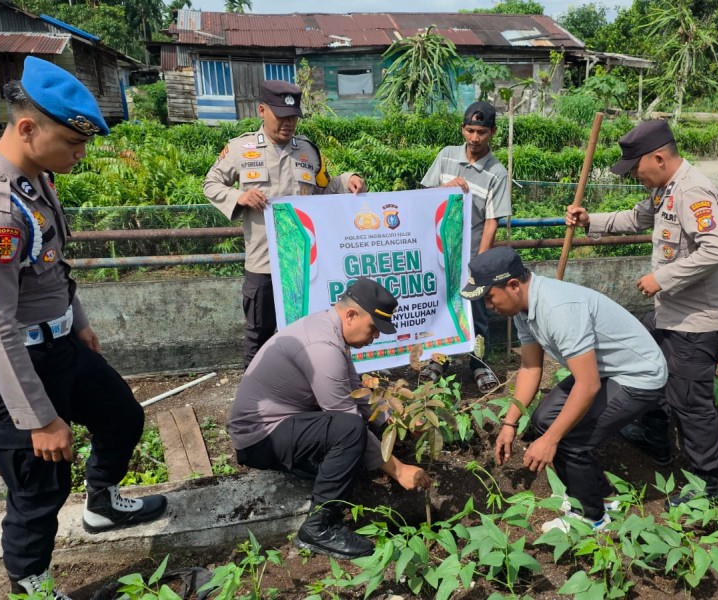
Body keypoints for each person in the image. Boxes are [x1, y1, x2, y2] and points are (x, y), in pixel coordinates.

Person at [0, 57, 167, 599]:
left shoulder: (36, 178)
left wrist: (79, 323)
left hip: (61, 342)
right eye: (72, 141)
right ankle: (31, 584)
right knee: (39, 487)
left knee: (121, 417)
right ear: (27, 129)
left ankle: (103, 504)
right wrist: (40, 419)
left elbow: (52, 264)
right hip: (18, 364)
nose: (80, 153)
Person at [565, 119, 718, 506]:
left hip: (702, 320)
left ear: (659, 158)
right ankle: (656, 437)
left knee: (689, 399)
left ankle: (705, 484)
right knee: (645, 359)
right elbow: (636, 218)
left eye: (635, 169)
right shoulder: (665, 189)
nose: (633, 176)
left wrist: (662, 278)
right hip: (674, 313)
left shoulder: (693, 191)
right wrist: (589, 221)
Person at [228, 277, 432, 559]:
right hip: (261, 438)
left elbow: (354, 392)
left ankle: (309, 467)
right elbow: (347, 422)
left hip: (283, 424)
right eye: (373, 329)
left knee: (352, 442)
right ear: (351, 315)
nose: (375, 338)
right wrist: (398, 470)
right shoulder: (322, 347)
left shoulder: (330, 331)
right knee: (349, 432)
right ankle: (319, 527)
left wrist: (399, 422)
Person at [467, 247, 667, 531]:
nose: (488, 306)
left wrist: (551, 440)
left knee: (567, 440)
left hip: (639, 376)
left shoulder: (558, 310)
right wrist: (509, 423)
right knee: (542, 420)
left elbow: (587, 385)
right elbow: (530, 368)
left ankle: (592, 517)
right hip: (606, 371)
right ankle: (604, 495)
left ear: (513, 285)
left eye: (489, 297)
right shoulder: (523, 308)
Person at [204, 80, 366, 367]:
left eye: (293, 117)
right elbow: (211, 184)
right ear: (262, 111)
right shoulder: (240, 149)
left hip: (304, 263)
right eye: (281, 116)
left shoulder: (308, 152)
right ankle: (256, 402)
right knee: (259, 336)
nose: (289, 123)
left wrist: (349, 178)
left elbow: (324, 189)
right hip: (263, 264)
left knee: (307, 334)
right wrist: (239, 196)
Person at [420, 101, 512, 393]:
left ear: (492, 133)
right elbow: (421, 197)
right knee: (441, 306)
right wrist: (445, 189)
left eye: (481, 132)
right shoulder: (447, 157)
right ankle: (438, 359)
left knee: (475, 311)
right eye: (470, 130)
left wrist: (481, 265)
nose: (474, 138)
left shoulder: (497, 172)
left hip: (471, 254)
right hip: (440, 251)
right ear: (462, 129)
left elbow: (491, 222)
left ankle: (478, 363)